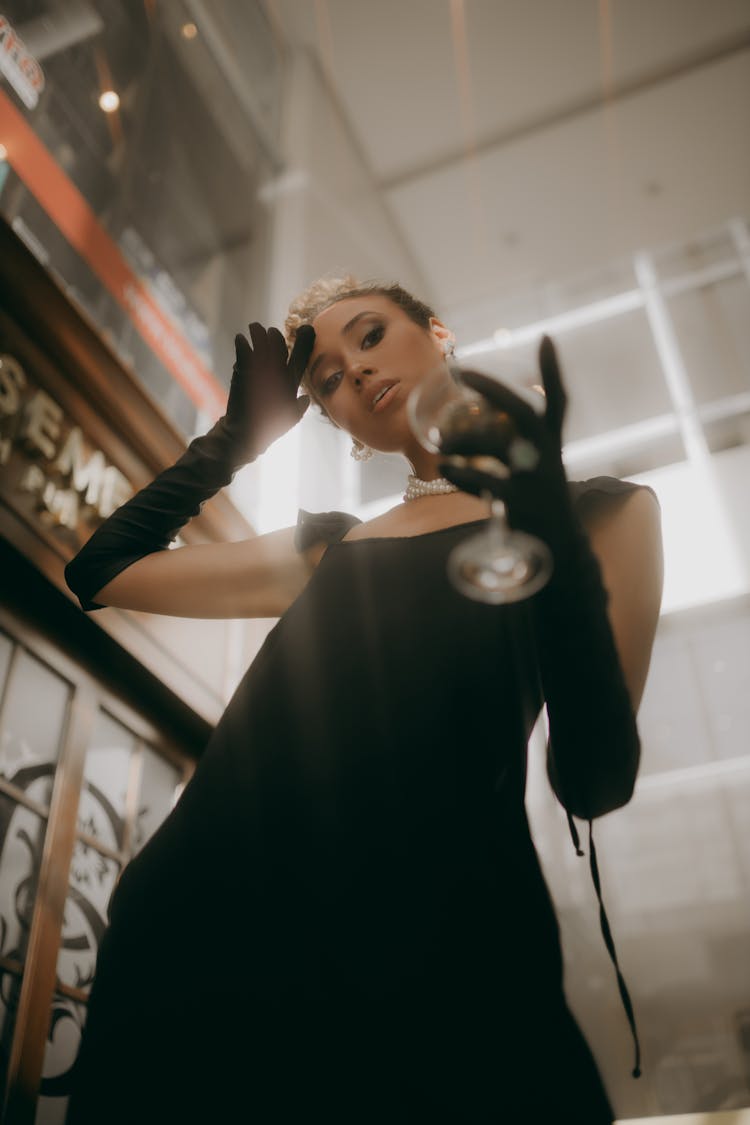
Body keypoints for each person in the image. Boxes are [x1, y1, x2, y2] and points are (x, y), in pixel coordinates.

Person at [63, 277, 663, 1123]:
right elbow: (100, 572)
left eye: (372, 336)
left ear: (439, 331)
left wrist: (546, 528)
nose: (357, 373)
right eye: (329, 381)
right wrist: (238, 440)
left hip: (436, 945)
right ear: (337, 425)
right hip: (210, 929)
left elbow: (593, 779)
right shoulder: (332, 548)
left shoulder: (601, 516)